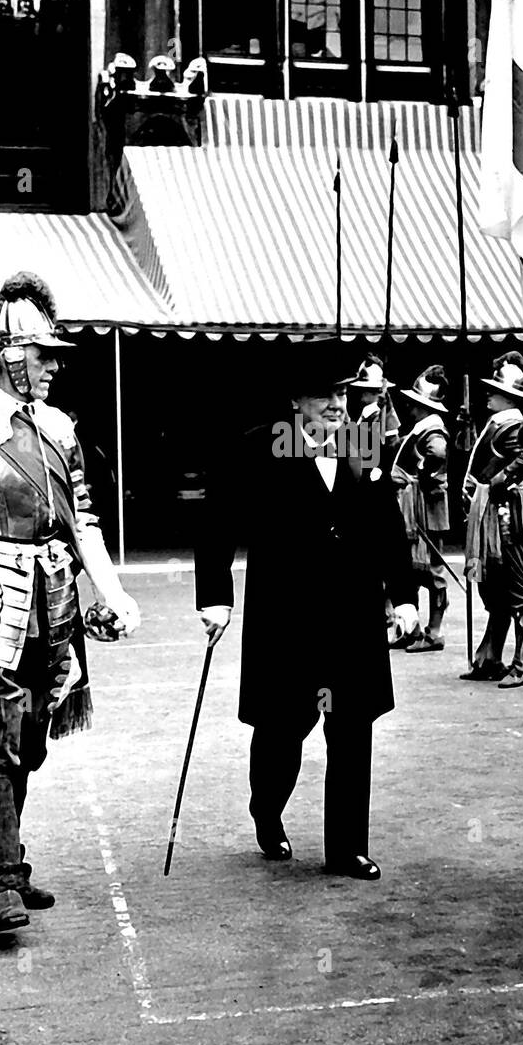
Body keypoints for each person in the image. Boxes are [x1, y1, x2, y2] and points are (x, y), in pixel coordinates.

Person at [0, 273, 140, 936]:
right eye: (41, 351)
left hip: (53, 599)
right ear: (9, 352)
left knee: (29, 738)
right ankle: (4, 882)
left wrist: (113, 591)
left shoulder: (59, 429)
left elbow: (83, 523)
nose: (52, 364)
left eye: (54, 352)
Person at [194, 342, 419, 879]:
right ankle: (266, 811)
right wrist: (216, 598)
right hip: (287, 619)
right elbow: (217, 522)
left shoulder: (363, 448)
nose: (337, 404)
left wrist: (405, 594)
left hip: (351, 617)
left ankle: (347, 848)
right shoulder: (260, 447)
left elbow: (389, 527)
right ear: (296, 401)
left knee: (350, 728)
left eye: (342, 392)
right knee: (281, 728)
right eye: (325, 395)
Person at [462, 353, 523, 688]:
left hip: (506, 517)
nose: (488, 393)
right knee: (494, 592)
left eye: (495, 389)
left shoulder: (512, 425)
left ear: (510, 395)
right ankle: (490, 657)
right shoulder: (498, 422)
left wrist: (497, 483)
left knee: (518, 593)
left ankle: (520, 664)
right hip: (489, 516)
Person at [389, 366, 451, 652]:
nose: (410, 409)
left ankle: (434, 631)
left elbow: (437, 454)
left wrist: (420, 477)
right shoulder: (421, 427)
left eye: (415, 404)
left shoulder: (433, 428)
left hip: (426, 506)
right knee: (409, 566)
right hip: (414, 506)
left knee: (434, 571)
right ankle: (410, 627)